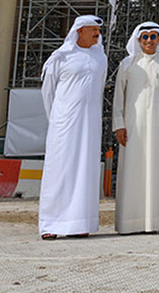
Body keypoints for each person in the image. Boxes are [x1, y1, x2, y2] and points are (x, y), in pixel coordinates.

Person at [39, 14, 107, 239]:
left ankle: (79, 224)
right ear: (79, 31)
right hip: (64, 124)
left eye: (98, 30)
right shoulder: (61, 57)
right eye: (93, 30)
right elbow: (48, 91)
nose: (98, 34)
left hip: (89, 124)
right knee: (60, 170)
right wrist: (57, 119)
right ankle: (50, 225)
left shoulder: (100, 57)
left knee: (85, 171)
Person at [112, 21, 159, 234]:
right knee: (132, 171)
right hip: (132, 126)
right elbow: (118, 98)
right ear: (138, 40)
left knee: (154, 171)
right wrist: (118, 125)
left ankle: (153, 223)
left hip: (157, 125)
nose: (149, 40)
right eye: (145, 37)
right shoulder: (127, 64)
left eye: (153, 37)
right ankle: (128, 223)